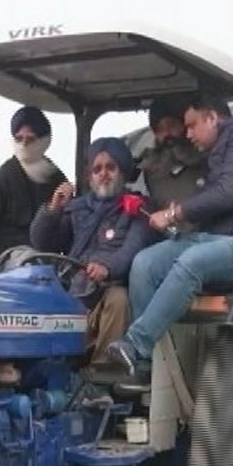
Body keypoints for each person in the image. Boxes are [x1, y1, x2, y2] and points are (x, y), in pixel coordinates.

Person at [104, 94, 233, 380]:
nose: (188, 134)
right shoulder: (216, 152)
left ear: (212, 117)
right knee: (145, 263)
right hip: (222, 239)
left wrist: (174, 214)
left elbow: (228, 193)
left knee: (193, 260)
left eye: (191, 126)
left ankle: (136, 344)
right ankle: (148, 367)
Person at [30, 137, 157, 363]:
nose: (103, 174)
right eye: (97, 169)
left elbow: (132, 249)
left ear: (123, 171)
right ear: (90, 175)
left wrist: (107, 268)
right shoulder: (77, 208)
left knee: (118, 299)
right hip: (74, 293)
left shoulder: (138, 208)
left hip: (106, 291)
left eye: (110, 167)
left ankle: (103, 375)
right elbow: (44, 244)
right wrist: (53, 209)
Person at [0, 106, 69, 261]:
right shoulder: (1, 179)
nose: (24, 144)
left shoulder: (57, 179)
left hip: (48, 261)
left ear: (44, 141)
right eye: (19, 138)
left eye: (30, 139)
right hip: (8, 262)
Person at [134, 94, 210, 223]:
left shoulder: (209, 158)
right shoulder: (148, 170)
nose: (167, 134)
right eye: (160, 129)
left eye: (172, 125)